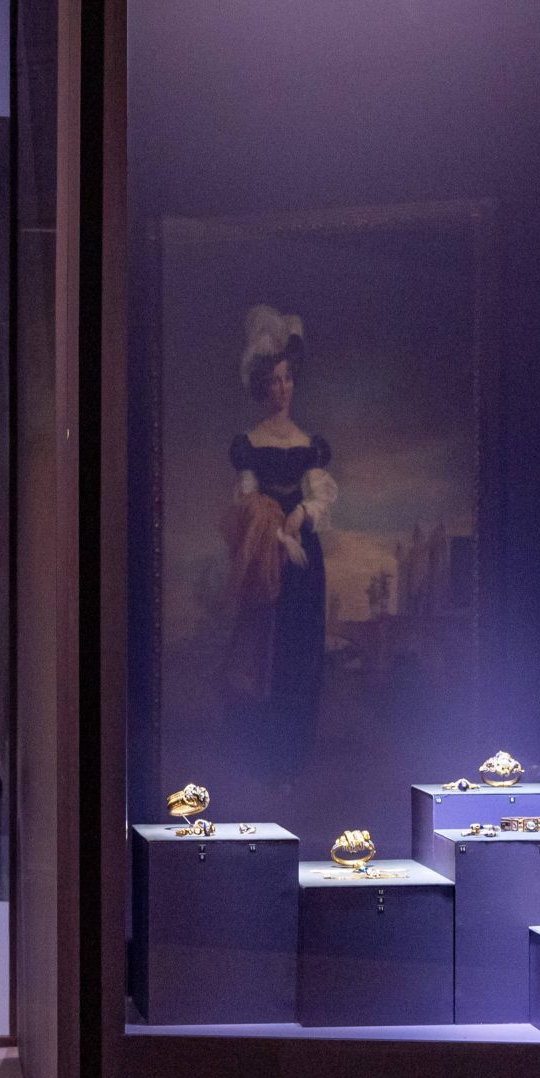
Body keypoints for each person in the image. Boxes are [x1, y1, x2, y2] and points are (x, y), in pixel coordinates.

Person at [219, 306, 335, 787]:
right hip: (267, 559)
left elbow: (321, 498)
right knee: (265, 654)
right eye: (273, 382)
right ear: (261, 387)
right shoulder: (249, 443)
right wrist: (274, 530)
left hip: (304, 562)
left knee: (300, 655)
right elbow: (246, 504)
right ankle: (264, 761)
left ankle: (293, 760)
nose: (281, 389)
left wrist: (301, 514)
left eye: (287, 380)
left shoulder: (311, 444)